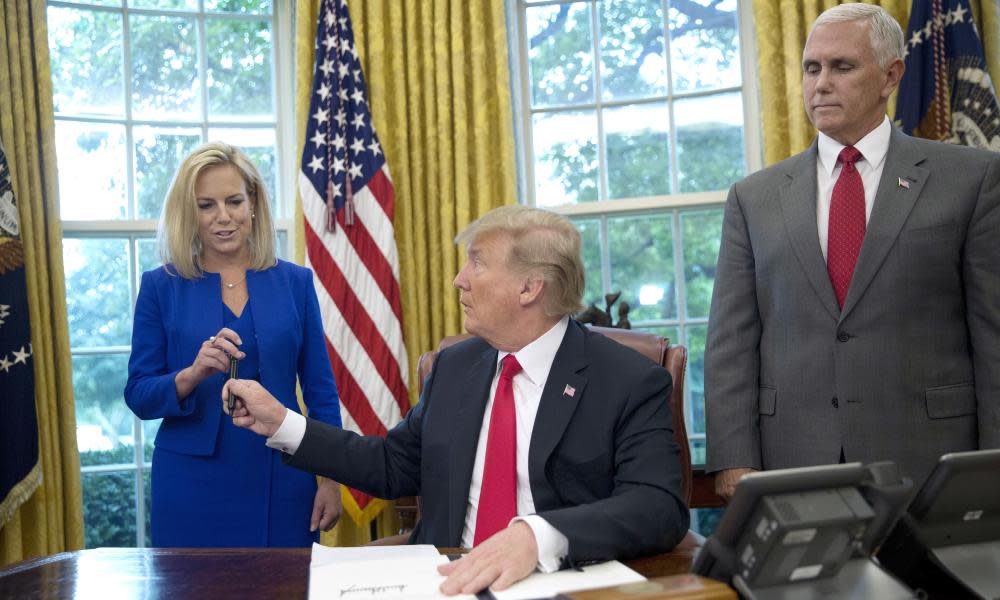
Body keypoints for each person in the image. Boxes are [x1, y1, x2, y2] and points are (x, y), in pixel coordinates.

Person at [224, 205, 689, 595]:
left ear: (530, 288)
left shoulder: (628, 379)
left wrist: (538, 536)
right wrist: (282, 422)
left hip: (554, 582)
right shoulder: (455, 366)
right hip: (444, 581)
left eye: (478, 262)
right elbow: (392, 465)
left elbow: (657, 506)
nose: (458, 279)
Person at [704, 3, 1000, 501]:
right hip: (794, 461)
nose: (821, 83)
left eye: (842, 67)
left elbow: (993, 338)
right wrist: (734, 457)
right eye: (811, 68)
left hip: (931, 460)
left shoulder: (970, 180)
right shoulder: (753, 197)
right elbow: (731, 342)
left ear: (890, 76)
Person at [124, 142, 344, 547]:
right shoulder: (160, 286)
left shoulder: (295, 283)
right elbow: (139, 395)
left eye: (234, 201)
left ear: (254, 204)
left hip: (285, 475)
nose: (222, 217)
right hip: (190, 484)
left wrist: (329, 478)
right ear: (189, 213)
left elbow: (321, 392)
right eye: (206, 205)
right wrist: (190, 375)